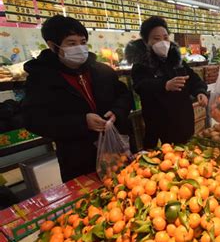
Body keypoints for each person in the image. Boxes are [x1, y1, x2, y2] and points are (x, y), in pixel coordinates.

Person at [22, 15, 132, 182]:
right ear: (53, 46)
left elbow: (124, 95)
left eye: (82, 42)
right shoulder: (41, 79)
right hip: (78, 159)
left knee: (128, 189)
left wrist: (117, 111)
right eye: (71, 43)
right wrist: (82, 122)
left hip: (116, 153)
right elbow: (34, 120)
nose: (79, 48)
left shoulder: (102, 71)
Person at [127, 16, 208, 149]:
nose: (162, 42)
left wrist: (200, 92)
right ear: (146, 41)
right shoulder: (141, 65)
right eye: (156, 39)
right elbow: (140, 86)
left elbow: (193, 79)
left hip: (184, 124)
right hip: (159, 130)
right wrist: (164, 85)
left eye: (165, 38)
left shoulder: (177, 61)